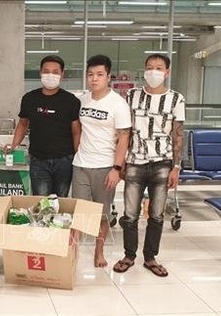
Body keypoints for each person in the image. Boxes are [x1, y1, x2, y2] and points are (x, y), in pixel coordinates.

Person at [113, 54, 185, 277]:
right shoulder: (131, 96)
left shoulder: (176, 99)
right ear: (144, 70)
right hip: (134, 162)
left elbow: (178, 135)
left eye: (159, 68)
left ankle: (151, 257)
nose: (154, 72)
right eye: (150, 68)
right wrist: (121, 162)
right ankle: (129, 255)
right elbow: (123, 132)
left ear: (167, 72)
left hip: (163, 164)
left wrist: (177, 167)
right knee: (130, 214)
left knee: (156, 214)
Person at [71, 55, 131, 268]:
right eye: (90, 74)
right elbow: (77, 128)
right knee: (78, 212)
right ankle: (73, 252)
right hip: (81, 164)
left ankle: (99, 251)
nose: (94, 79)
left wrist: (117, 168)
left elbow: (124, 138)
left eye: (99, 75)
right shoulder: (82, 100)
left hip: (105, 166)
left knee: (102, 213)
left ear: (108, 76)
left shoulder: (118, 104)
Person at [8, 55, 80, 197]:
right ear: (40, 73)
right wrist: (13, 146)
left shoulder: (71, 101)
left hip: (64, 160)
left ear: (62, 74)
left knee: (61, 202)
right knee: (41, 203)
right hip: (38, 160)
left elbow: (76, 131)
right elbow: (22, 124)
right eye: (46, 71)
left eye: (55, 72)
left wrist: (78, 156)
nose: (50, 75)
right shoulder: (29, 99)